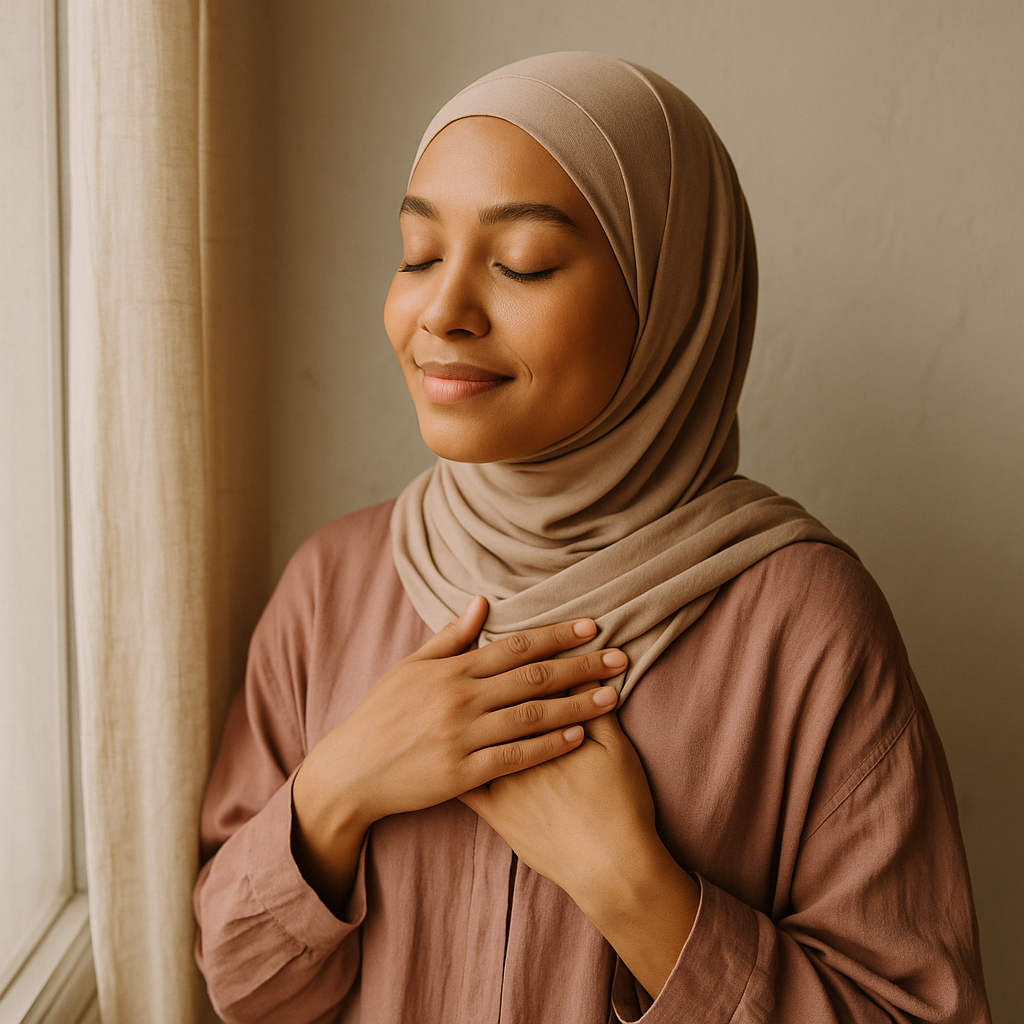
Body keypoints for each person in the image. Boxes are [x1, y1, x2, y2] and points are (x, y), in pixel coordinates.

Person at [192, 52, 991, 1023]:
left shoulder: (804, 625)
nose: (443, 310)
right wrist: (337, 789)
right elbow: (236, 984)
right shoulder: (331, 588)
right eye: (416, 254)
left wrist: (636, 890)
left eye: (520, 262)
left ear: (667, 297)